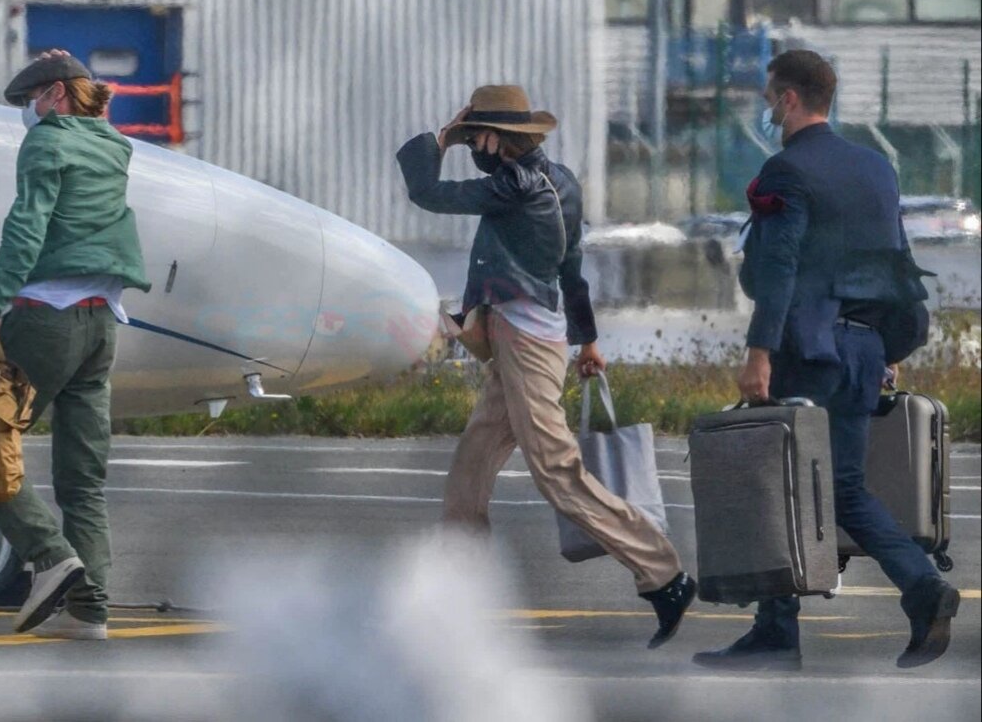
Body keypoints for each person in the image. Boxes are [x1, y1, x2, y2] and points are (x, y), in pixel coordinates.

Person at [396, 85, 695, 649]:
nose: (471, 148)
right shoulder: (560, 180)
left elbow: (428, 193)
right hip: (524, 335)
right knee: (473, 463)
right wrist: (588, 341)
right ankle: (457, 598)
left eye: (474, 138)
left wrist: (439, 139)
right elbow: (573, 266)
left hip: (527, 343)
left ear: (497, 139)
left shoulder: (514, 185)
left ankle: (664, 575)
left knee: (556, 471)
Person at [693, 50, 960, 671]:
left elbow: (780, 266)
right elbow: (896, 260)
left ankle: (906, 594)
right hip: (865, 348)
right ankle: (780, 627)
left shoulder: (786, 172)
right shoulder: (876, 168)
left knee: (783, 479)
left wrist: (758, 352)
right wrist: (888, 350)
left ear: (788, 99)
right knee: (835, 486)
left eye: (768, 98)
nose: (765, 108)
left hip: (809, 350)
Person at [0, 50, 151, 639]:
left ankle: (50, 558)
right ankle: (89, 612)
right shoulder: (113, 145)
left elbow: (27, 223)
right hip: (103, 324)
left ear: (53, 95)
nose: (29, 113)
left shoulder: (47, 142)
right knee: (82, 481)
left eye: (31, 102)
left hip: (46, 317)